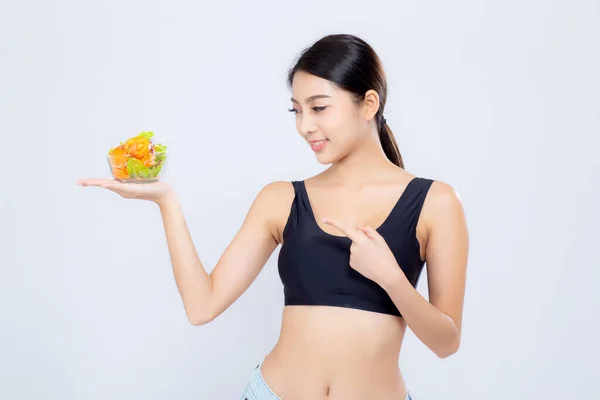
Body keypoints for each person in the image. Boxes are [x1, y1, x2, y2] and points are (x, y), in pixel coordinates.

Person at [78, 33, 469, 400]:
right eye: (297, 111)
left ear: (369, 104)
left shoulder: (436, 202)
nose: (304, 126)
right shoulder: (281, 199)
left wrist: (390, 277)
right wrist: (166, 202)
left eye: (319, 108)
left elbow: (447, 343)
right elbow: (202, 307)